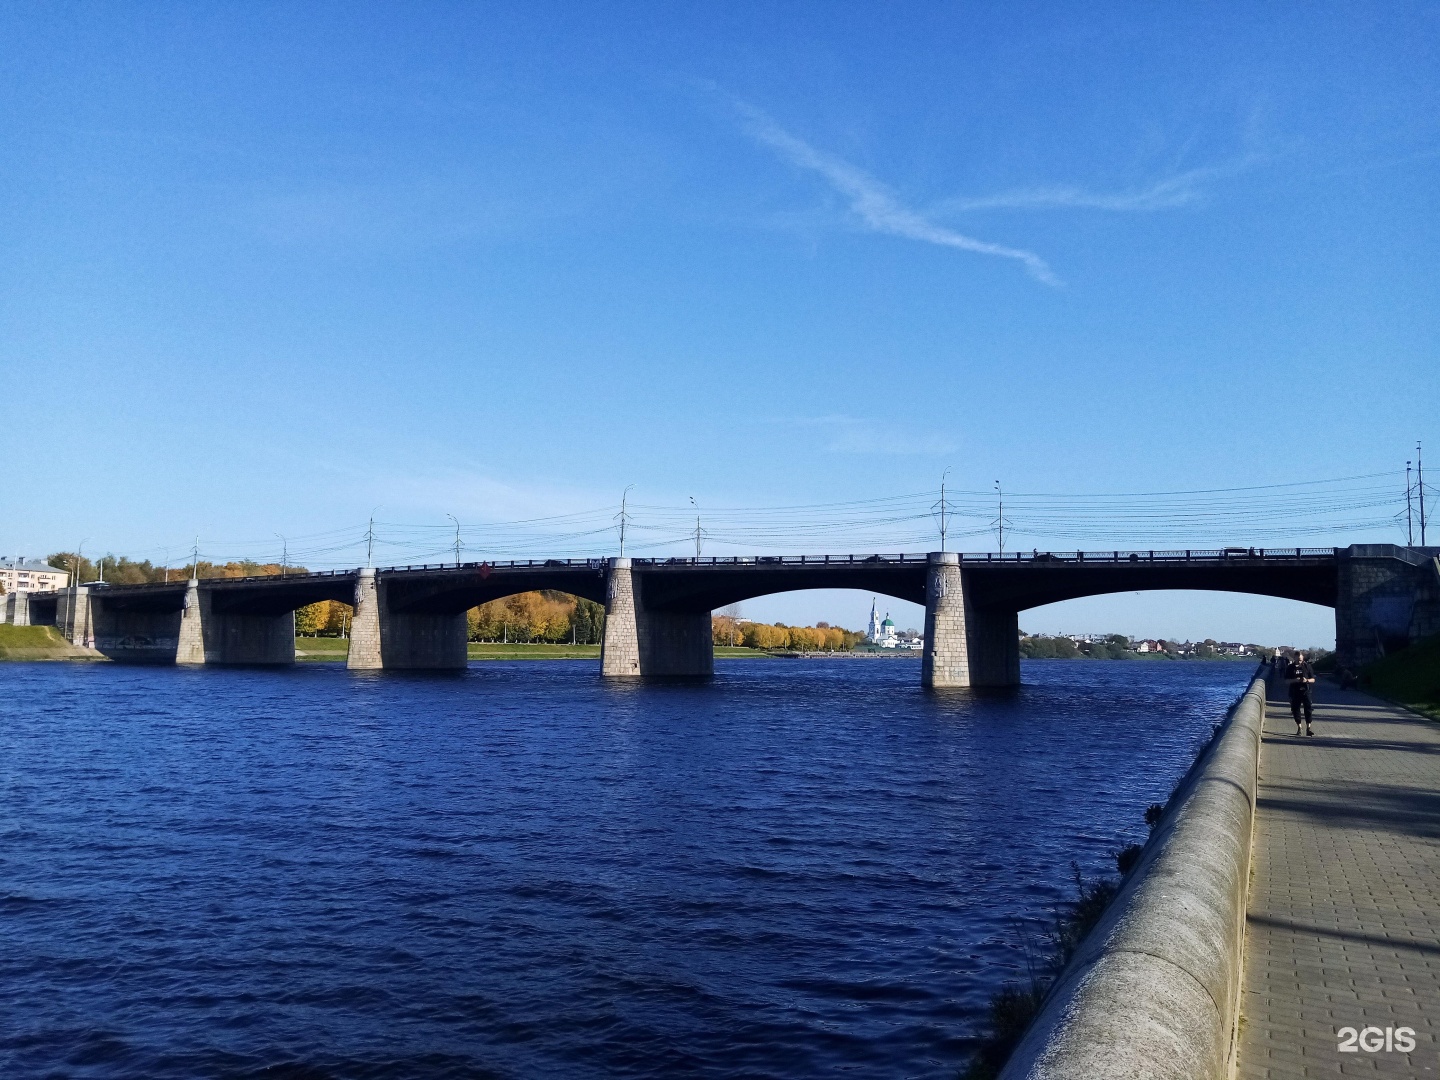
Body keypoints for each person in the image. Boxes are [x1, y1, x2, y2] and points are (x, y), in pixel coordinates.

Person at [1285, 651, 1316, 735]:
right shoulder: (1290, 668)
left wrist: (1307, 680)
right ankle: (1299, 727)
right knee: (1296, 709)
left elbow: (1313, 679)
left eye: (1301, 660)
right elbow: (1286, 681)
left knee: (1308, 708)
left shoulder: (1307, 666)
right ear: (1294, 657)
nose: (1300, 661)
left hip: (1306, 690)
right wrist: (1296, 680)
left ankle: (1308, 728)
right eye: (1298, 659)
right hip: (1295, 691)